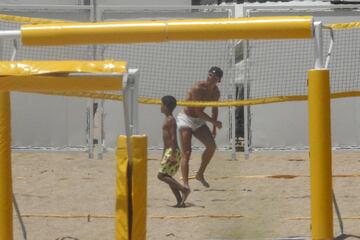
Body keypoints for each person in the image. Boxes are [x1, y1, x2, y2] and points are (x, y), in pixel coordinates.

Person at [177, 66, 223, 192]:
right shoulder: (198, 88)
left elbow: (214, 108)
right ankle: (185, 185)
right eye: (210, 75)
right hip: (186, 118)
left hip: (198, 121)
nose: (211, 78)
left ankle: (200, 174)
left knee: (212, 147)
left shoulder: (216, 92)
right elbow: (198, 111)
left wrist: (214, 128)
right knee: (186, 152)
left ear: (219, 80)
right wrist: (214, 122)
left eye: (215, 77)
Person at [158, 95, 190, 207]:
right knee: (168, 176)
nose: (160, 106)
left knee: (161, 176)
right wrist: (164, 154)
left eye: (161, 104)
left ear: (166, 107)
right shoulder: (167, 118)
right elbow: (166, 141)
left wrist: (171, 154)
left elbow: (173, 138)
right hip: (169, 151)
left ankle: (184, 190)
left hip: (172, 151)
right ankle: (180, 202)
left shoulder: (171, 120)